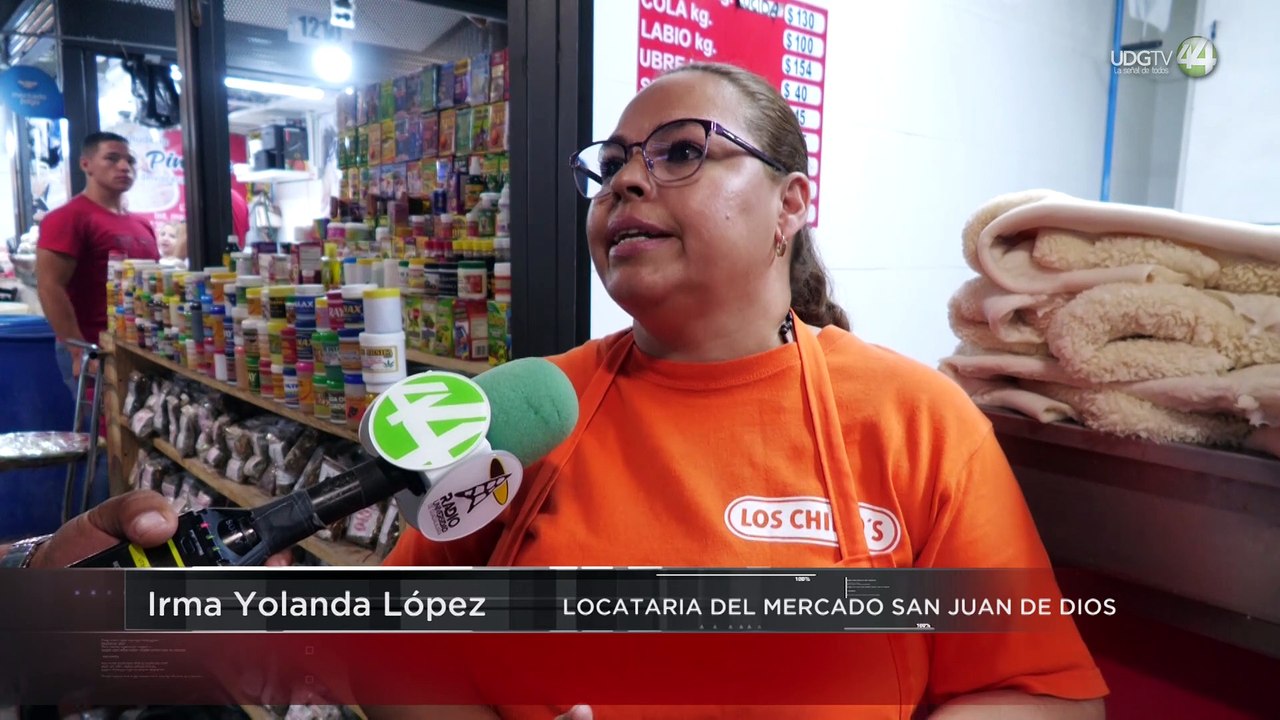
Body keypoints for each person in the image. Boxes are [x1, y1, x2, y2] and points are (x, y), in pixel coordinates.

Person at [6, 64, 1109, 718]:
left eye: (681, 152)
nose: (627, 178)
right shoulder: (527, 406)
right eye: (614, 162)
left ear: (789, 204)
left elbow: (1039, 688)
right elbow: (396, 652)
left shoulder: (912, 416)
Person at [37, 131, 160, 395]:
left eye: (130, 160)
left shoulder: (142, 225)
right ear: (86, 165)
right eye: (112, 159)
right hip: (95, 348)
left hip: (141, 347)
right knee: (103, 432)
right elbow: (49, 287)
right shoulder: (67, 218)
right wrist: (78, 351)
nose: (124, 167)